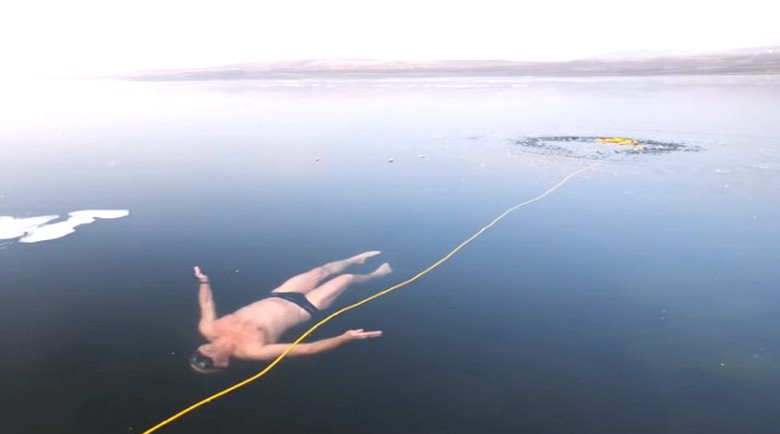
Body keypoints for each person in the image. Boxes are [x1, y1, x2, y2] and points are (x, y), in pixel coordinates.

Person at [190, 251, 392, 373]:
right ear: (223, 363)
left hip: (280, 294)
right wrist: (345, 337)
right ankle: (374, 275)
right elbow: (307, 349)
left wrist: (204, 281)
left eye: (199, 354)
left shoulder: (209, 328)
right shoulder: (252, 351)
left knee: (319, 271)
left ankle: (354, 259)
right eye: (207, 361)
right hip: (304, 307)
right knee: (346, 279)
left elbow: (206, 304)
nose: (205, 354)